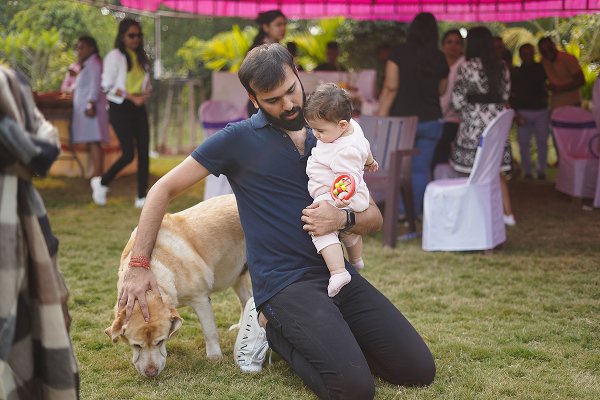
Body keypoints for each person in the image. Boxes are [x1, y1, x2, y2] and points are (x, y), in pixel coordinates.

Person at [117, 44, 435, 399]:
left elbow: (373, 217)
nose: (288, 105)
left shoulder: (330, 134)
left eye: (291, 90)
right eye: (272, 100)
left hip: (335, 273)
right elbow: (161, 190)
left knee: (417, 370)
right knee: (355, 390)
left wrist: (342, 218)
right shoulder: (237, 140)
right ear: (253, 100)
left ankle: (329, 336)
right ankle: (272, 329)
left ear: (298, 75)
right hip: (283, 285)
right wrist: (138, 265)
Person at [304, 83, 379, 297]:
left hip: (341, 194)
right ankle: (356, 259)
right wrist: (370, 161)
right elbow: (365, 146)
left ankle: (338, 271)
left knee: (320, 228)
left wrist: (337, 203)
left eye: (320, 130)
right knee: (348, 232)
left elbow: (348, 178)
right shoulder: (353, 128)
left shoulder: (344, 151)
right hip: (353, 192)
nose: (315, 134)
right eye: (312, 129)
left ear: (342, 124)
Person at [378, 12, 449, 216]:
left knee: (397, 169)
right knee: (420, 170)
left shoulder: (398, 53)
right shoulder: (439, 57)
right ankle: (412, 213)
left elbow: (391, 87)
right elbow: (442, 90)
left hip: (402, 122)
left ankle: (399, 211)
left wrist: (381, 119)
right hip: (431, 120)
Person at [450, 26, 516, 226]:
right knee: (496, 170)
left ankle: (474, 214)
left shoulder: (467, 67)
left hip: (474, 125)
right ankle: (508, 214)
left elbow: (457, 101)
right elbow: (506, 95)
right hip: (496, 124)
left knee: (469, 172)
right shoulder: (502, 66)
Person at [91, 18, 151, 208]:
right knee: (128, 154)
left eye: (139, 35)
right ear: (122, 36)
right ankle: (102, 182)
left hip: (139, 107)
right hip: (120, 108)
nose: (136, 39)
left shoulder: (142, 58)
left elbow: (144, 83)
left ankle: (141, 197)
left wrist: (145, 93)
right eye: (131, 35)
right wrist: (132, 97)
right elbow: (106, 86)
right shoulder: (114, 56)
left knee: (144, 152)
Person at [71, 35, 109, 178]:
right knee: (92, 141)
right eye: (78, 48)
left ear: (91, 48)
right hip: (87, 108)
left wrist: (90, 103)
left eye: (82, 48)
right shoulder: (88, 63)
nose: (79, 51)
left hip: (91, 109)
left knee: (94, 141)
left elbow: (95, 85)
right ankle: (95, 172)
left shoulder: (94, 63)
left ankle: (97, 173)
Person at [511, 43, 549, 180]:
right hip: (523, 111)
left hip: (541, 110)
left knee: (542, 142)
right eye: (525, 53)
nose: (527, 56)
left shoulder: (542, 68)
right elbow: (512, 94)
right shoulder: (516, 72)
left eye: (529, 53)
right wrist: (515, 113)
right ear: (520, 55)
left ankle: (541, 171)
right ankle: (527, 171)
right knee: (523, 143)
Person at [431, 29, 465, 176]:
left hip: (456, 118)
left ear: (462, 46)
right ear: (443, 45)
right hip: (435, 116)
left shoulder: (465, 65)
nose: (453, 46)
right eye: (449, 42)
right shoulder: (435, 63)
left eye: (457, 43)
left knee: (442, 154)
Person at [247, 9, 287, 117]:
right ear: (266, 27)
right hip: (262, 104)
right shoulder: (259, 50)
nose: (283, 28)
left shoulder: (278, 49)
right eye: (278, 25)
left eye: (284, 24)